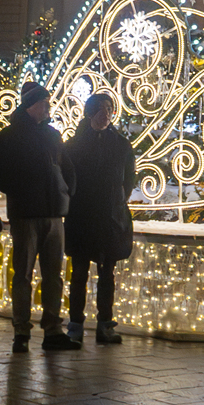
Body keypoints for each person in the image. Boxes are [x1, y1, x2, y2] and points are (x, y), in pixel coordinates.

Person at [0, 81, 79, 353]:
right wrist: (24, 188)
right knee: (24, 274)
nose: (48, 108)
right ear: (32, 105)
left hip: (53, 214)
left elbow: (67, 168)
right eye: (44, 103)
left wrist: (65, 193)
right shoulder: (9, 136)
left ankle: (52, 329)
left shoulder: (52, 135)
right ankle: (22, 330)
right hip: (26, 214)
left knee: (54, 275)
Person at [62, 91, 136, 344]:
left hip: (110, 218)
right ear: (90, 112)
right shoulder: (74, 145)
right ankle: (75, 324)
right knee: (79, 272)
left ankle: (105, 323)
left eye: (109, 108)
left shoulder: (121, 145)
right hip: (82, 217)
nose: (106, 113)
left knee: (107, 273)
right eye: (101, 108)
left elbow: (129, 179)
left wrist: (118, 201)